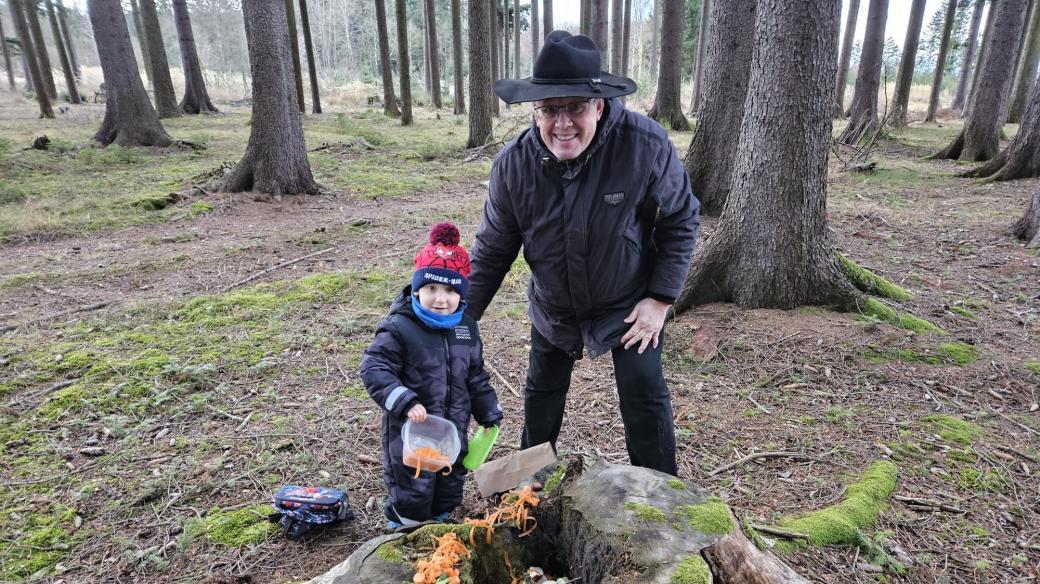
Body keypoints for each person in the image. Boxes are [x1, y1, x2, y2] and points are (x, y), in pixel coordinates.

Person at [466, 31, 700, 476]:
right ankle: (525, 495)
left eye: (574, 107)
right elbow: (493, 250)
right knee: (540, 395)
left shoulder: (644, 145)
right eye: (550, 110)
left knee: (643, 389)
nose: (562, 123)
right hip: (554, 305)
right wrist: (459, 321)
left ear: (599, 105)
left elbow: (682, 220)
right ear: (535, 111)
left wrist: (660, 299)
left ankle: (663, 498)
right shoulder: (514, 166)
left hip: (628, 300)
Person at [360, 223, 503, 528]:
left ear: (462, 293)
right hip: (411, 429)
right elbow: (375, 366)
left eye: (450, 290)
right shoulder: (401, 327)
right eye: (432, 289)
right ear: (417, 289)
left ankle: (438, 523)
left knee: (449, 480)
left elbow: (475, 374)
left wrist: (488, 410)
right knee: (413, 484)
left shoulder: (466, 327)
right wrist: (404, 400)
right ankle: (405, 526)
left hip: (453, 427)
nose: (441, 298)